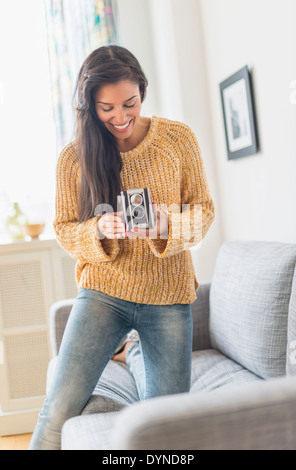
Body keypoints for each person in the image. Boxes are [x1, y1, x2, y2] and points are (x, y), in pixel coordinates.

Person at [29, 45, 214, 450]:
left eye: (129, 103)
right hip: (103, 293)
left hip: (168, 297)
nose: (120, 117)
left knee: (167, 426)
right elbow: (64, 228)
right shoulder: (73, 159)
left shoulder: (177, 139)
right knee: (58, 409)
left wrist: (169, 225)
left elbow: (203, 211)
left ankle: (132, 351)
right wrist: (98, 228)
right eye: (106, 108)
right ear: (89, 105)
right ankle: (131, 350)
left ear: (142, 91)